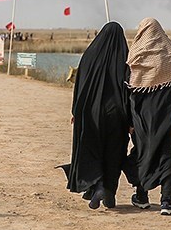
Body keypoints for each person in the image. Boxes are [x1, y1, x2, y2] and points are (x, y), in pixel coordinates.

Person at [57, 22, 134, 210]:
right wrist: (131, 120)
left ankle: (97, 185)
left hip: (90, 113)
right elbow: (130, 92)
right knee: (114, 153)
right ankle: (109, 193)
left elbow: (80, 87)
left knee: (93, 149)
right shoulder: (125, 58)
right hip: (117, 114)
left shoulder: (89, 56)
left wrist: (76, 111)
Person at [125, 17, 171, 216]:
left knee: (144, 151)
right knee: (167, 153)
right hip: (170, 113)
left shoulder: (137, 54)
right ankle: (166, 201)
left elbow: (131, 88)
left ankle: (142, 196)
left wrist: (129, 120)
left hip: (144, 116)